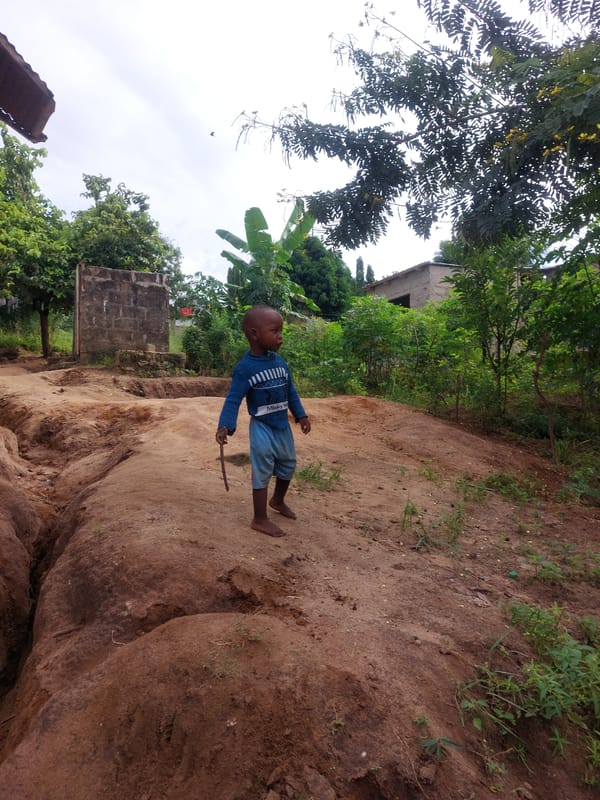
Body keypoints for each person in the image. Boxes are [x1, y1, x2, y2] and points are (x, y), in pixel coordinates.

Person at [215, 305, 311, 537]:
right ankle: (259, 519)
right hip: (261, 426)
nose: (280, 336)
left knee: (288, 464)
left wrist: (301, 415)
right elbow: (233, 399)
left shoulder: (280, 364)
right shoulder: (245, 369)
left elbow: (291, 392)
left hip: (282, 425)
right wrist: (225, 425)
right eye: (275, 330)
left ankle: (277, 500)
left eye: (281, 330)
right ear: (254, 334)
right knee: (263, 468)